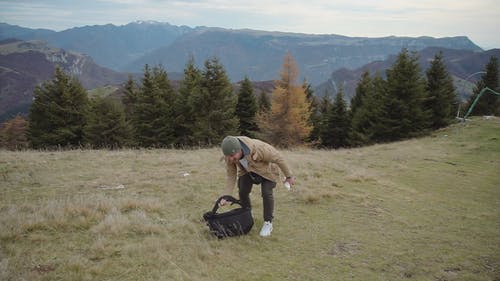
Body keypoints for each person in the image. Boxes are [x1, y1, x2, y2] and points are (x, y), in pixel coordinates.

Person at [219, 136, 295, 237]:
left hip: (268, 172)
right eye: (228, 156)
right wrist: (227, 196)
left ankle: (268, 223)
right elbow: (231, 176)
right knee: (242, 189)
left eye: (233, 156)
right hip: (249, 171)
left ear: (240, 149)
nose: (231, 159)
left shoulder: (259, 148)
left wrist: (289, 176)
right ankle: (247, 213)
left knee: (266, 192)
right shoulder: (229, 157)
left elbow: (279, 158)